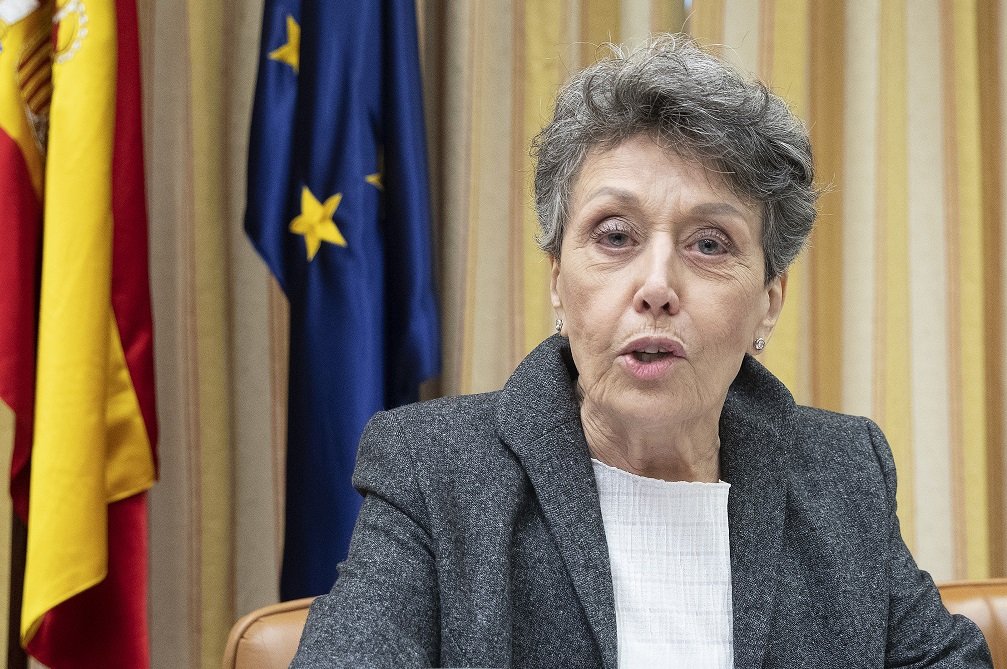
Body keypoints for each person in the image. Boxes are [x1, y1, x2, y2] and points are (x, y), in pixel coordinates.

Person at [291, 34, 992, 668]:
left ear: (768, 301)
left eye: (709, 244)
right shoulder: (432, 469)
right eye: (615, 235)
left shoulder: (841, 471)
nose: (656, 286)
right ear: (558, 280)